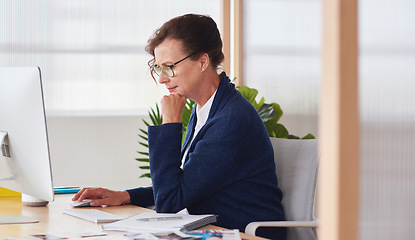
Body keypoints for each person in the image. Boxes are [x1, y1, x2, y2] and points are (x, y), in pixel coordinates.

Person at [73, 14, 286, 239]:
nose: (163, 79)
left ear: (203, 62)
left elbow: (171, 202)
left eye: (170, 67)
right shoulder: (206, 108)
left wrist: (171, 123)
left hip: (243, 234)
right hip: (211, 228)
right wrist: (125, 196)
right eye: (158, 68)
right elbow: (186, 187)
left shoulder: (231, 120)